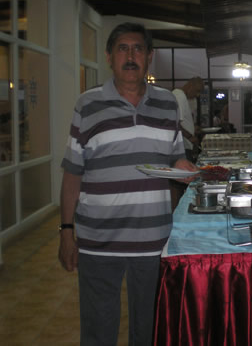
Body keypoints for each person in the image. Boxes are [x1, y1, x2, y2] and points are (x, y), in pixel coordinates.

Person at [58, 22, 198, 346]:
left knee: (150, 329)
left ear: (149, 56)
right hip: (98, 239)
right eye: (123, 49)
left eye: (138, 49)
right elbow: (72, 172)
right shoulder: (88, 104)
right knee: (98, 330)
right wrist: (66, 231)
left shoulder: (167, 103)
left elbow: (174, 157)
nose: (130, 56)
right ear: (110, 57)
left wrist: (182, 166)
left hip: (153, 239)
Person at [172, 76, 204, 161]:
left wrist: (193, 128)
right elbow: (176, 124)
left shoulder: (181, 95)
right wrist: (190, 137)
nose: (197, 95)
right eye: (197, 91)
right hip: (183, 146)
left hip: (185, 145)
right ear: (190, 86)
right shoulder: (179, 96)